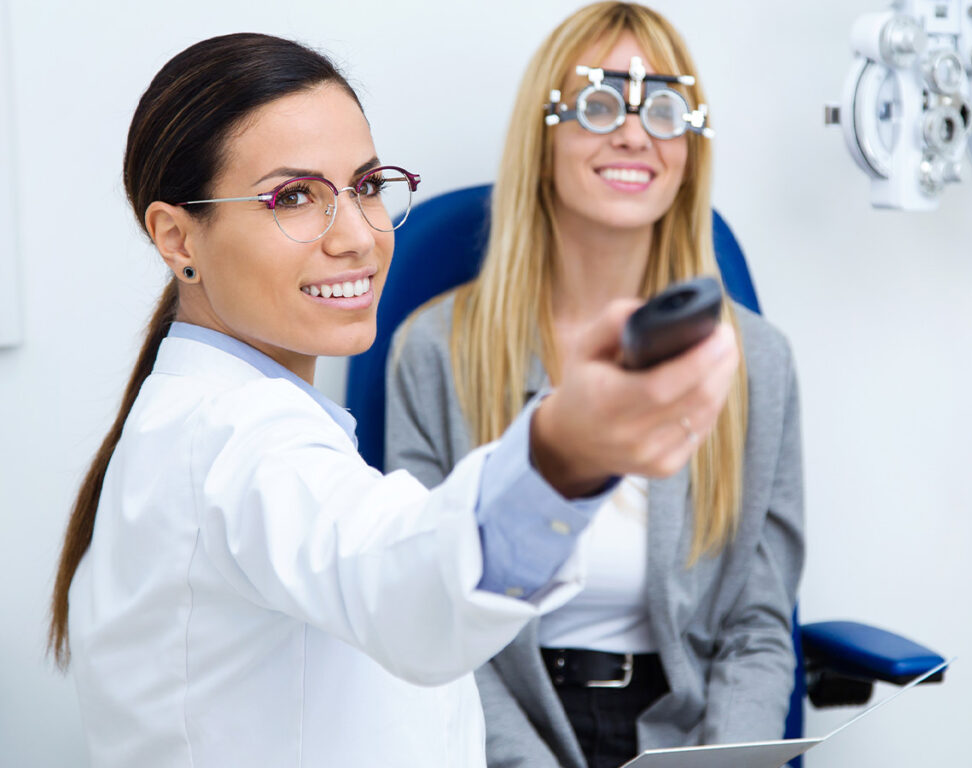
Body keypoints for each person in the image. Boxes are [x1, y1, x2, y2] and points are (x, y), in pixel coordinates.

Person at [47, 32, 740, 768]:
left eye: (368, 186)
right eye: (294, 197)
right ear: (176, 237)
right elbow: (411, 591)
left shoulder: (203, 418)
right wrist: (565, 452)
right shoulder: (241, 441)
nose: (358, 236)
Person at [385, 4, 805, 768]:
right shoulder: (435, 352)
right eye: (600, 101)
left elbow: (758, 624)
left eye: (665, 108)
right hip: (497, 739)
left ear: (689, 148)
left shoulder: (757, 362)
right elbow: (428, 617)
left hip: (682, 736)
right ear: (542, 137)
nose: (635, 133)